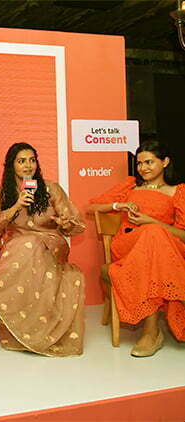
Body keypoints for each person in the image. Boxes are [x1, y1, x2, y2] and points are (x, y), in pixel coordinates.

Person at [0, 142, 86, 357]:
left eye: (32, 160)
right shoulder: (4, 194)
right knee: (25, 242)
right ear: (12, 166)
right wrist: (16, 206)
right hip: (17, 250)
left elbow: (76, 224)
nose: (28, 165)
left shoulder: (52, 189)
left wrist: (65, 223)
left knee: (30, 242)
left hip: (52, 245)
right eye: (21, 161)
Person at [88, 140, 185, 357]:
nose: (142, 168)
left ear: (165, 162)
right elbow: (91, 207)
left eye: (149, 162)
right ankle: (151, 330)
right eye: (139, 163)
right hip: (128, 247)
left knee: (153, 234)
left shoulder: (178, 192)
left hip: (161, 250)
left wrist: (152, 222)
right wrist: (118, 205)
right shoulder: (130, 186)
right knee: (152, 235)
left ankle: (152, 332)